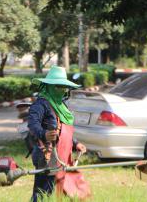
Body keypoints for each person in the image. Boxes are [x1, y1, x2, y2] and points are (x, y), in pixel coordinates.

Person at [28, 66, 88, 201]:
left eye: (63, 87)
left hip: (63, 155)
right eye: (57, 86)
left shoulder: (62, 105)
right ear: (48, 86)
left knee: (64, 191)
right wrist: (44, 134)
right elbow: (33, 124)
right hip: (47, 155)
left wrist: (76, 144)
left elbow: (64, 131)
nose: (61, 90)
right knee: (43, 192)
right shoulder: (41, 104)